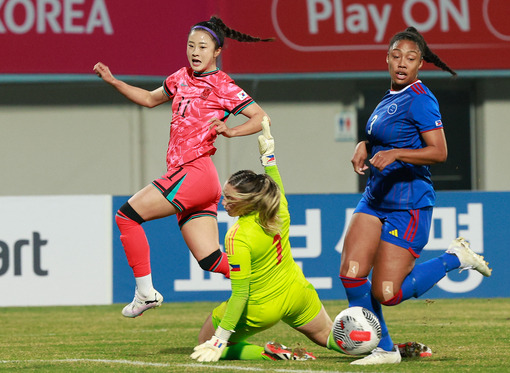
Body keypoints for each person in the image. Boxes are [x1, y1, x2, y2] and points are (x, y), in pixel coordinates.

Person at [93, 16, 273, 318]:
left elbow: (261, 118)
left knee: (126, 216)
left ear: (217, 51)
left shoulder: (223, 84)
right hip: (194, 180)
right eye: (191, 45)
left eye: (203, 46)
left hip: (194, 172)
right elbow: (151, 99)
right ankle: (267, 281)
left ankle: (145, 293)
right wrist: (114, 82)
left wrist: (231, 131)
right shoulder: (180, 77)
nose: (195, 51)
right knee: (211, 259)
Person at [338, 27, 492, 365]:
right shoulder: (388, 97)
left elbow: (439, 152)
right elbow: (380, 137)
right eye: (396, 56)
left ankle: (455, 257)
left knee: (386, 293)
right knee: (351, 273)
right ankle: (385, 350)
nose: (402, 63)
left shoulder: (421, 98)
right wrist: (364, 145)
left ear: (420, 63)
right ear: (387, 59)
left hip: (408, 205)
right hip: (375, 198)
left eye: (410, 58)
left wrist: (396, 154)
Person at [190, 117, 346, 362]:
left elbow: (240, 294)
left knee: (204, 343)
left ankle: (271, 353)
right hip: (297, 293)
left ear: (247, 201)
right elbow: (274, 182)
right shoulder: (278, 208)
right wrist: (268, 156)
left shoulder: (238, 236)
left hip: (262, 307)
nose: (224, 201)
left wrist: (219, 339)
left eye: (230, 198)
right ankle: (384, 348)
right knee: (330, 336)